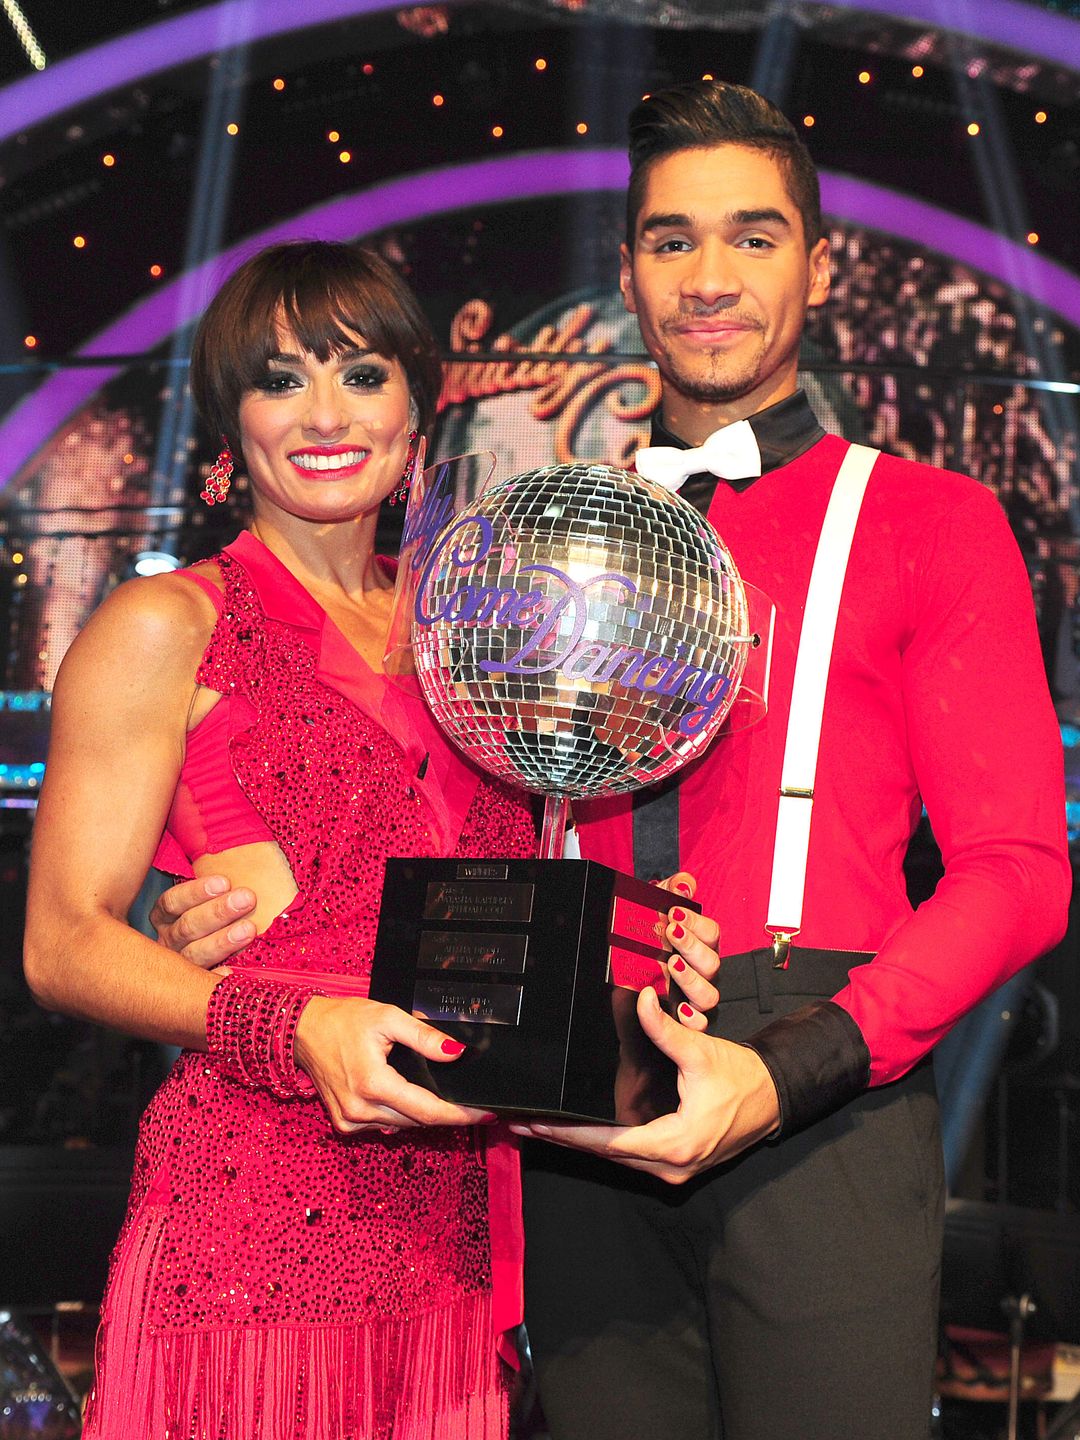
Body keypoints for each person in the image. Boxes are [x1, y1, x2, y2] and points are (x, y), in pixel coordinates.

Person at [146, 85, 1071, 1439]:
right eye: (670, 239)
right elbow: (412, 800)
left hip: (821, 1090)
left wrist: (794, 1067)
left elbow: (1021, 874)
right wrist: (235, 906)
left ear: (819, 263)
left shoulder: (935, 521)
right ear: (629, 269)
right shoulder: (540, 535)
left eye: (752, 238)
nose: (709, 279)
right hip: (566, 1098)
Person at [22, 239, 720, 1440]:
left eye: (361, 373)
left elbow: (517, 894)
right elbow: (60, 943)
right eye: (280, 380)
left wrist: (647, 934)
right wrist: (294, 1020)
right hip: (249, 1230)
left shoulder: (476, 625)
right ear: (230, 422)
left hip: (453, 1240)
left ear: (418, 405)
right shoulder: (165, 624)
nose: (325, 415)